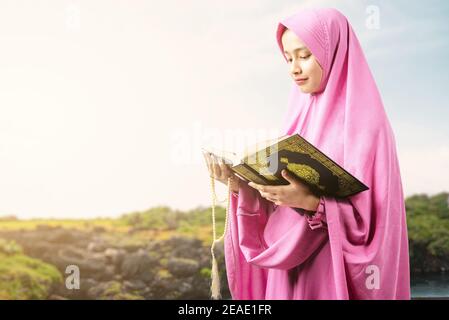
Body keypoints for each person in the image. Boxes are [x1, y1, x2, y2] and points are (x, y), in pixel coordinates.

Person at [203, 8, 410, 299]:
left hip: (329, 272)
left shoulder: (368, 127)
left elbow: (377, 228)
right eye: (288, 58)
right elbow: (279, 200)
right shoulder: (297, 116)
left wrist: (312, 202)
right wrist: (239, 183)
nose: (294, 69)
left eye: (304, 55)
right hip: (289, 273)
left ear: (333, 51)